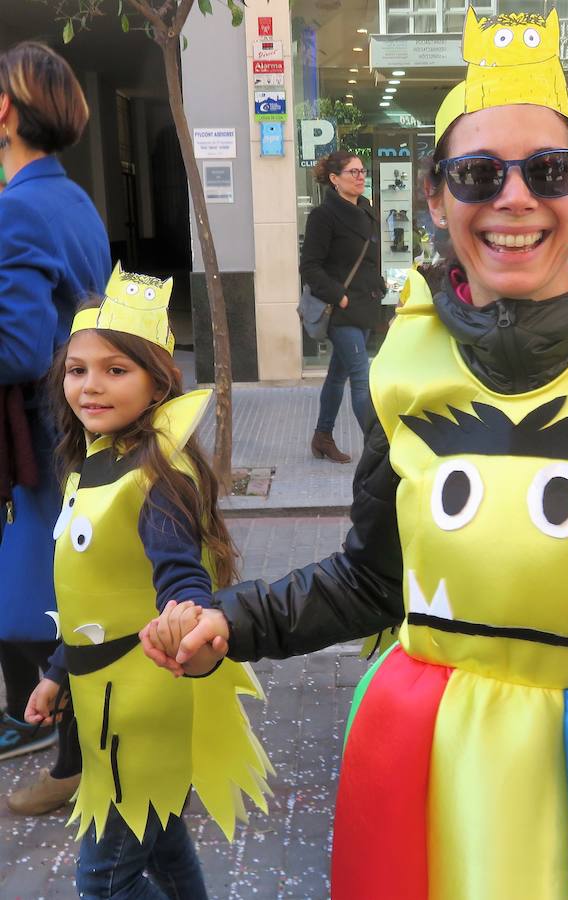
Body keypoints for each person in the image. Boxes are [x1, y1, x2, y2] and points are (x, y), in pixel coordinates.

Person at [143, 11, 568, 899]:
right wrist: (231, 622)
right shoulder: (406, 360)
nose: (514, 198)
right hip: (437, 771)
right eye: (477, 173)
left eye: (550, 170)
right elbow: (374, 580)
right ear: (436, 198)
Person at [25, 272, 272, 897]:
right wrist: (59, 669)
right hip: (102, 696)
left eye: (115, 370)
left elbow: (179, 576)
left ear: (158, 380)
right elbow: (94, 600)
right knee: (158, 838)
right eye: (77, 370)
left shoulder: (156, 475)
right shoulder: (92, 460)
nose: (91, 386)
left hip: (140, 709)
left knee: (104, 881)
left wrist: (187, 611)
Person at [0, 41, 110, 814]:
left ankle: (76, 760)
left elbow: (19, 345)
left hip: (40, 437)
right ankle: (72, 745)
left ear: (5, 110)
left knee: (43, 599)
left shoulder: (17, 207)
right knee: (61, 593)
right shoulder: (72, 197)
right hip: (77, 425)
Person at [301, 150, 386, 463]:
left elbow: (367, 258)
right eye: (353, 172)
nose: (360, 176)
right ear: (334, 179)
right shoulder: (323, 217)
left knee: (337, 376)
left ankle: (322, 437)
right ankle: (379, 451)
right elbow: (309, 267)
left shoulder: (367, 210)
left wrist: (379, 285)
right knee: (362, 378)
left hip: (365, 305)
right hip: (341, 310)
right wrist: (340, 296)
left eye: (362, 171)